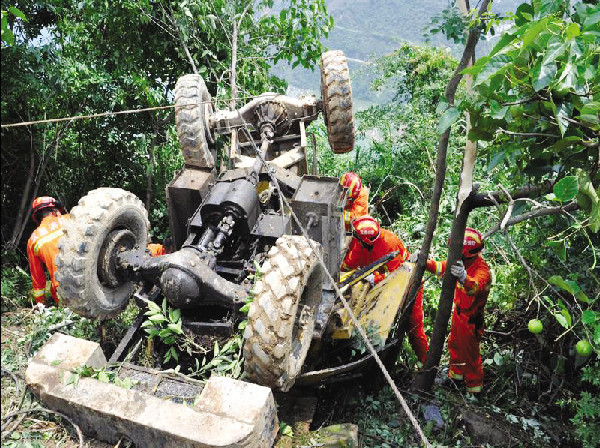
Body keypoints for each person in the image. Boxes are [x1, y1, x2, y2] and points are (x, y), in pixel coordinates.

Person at [341, 215, 429, 364]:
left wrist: (374, 278)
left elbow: (397, 278)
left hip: (408, 283)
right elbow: (349, 264)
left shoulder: (389, 244)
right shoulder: (361, 242)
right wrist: (341, 275)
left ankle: (425, 362)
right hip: (382, 284)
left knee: (413, 325)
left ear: (366, 240)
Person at [425, 227, 492, 393]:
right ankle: (455, 377)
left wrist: (464, 278)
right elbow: (441, 267)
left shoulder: (482, 269)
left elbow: (475, 287)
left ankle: (473, 388)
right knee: (454, 345)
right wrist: (423, 261)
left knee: (469, 353)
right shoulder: (460, 261)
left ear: (466, 252)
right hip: (459, 313)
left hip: (471, 319)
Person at [26, 196, 69, 305]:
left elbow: (38, 279)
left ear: (36, 216)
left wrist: (41, 304)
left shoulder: (33, 240)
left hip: (63, 295)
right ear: (55, 209)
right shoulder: (70, 219)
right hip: (91, 285)